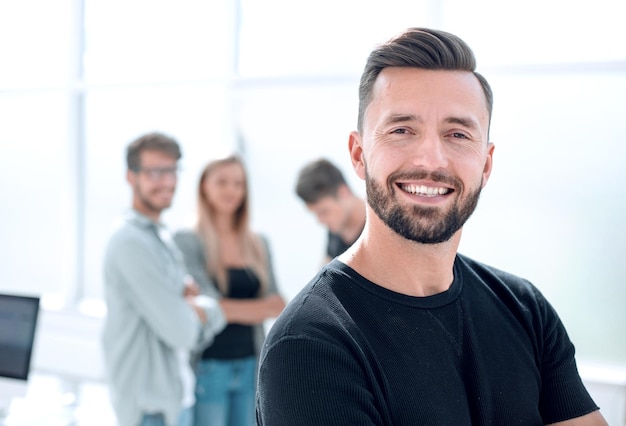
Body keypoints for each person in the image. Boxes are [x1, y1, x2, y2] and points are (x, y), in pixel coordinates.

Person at [256, 28, 608, 425]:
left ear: (486, 164)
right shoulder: (311, 345)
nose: (431, 158)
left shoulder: (525, 309)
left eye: (457, 134)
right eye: (402, 130)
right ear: (359, 154)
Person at [102, 132, 229, 426]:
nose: (167, 181)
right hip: (150, 411)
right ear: (131, 177)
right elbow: (183, 332)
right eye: (155, 172)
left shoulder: (159, 236)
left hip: (171, 402)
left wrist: (190, 306)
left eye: (172, 170)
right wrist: (208, 310)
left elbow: (184, 308)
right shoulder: (130, 242)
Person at [173, 154, 286, 426]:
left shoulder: (258, 242)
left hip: (252, 365)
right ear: (204, 187)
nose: (231, 190)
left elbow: (278, 305)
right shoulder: (187, 240)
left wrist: (223, 308)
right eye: (222, 182)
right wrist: (254, 308)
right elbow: (206, 306)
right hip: (208, 367)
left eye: (238, 183)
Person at [295, 158, 366, 263]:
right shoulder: (336, 228)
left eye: (324, 212)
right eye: (316, 214)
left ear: (343, 193)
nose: (320, 221)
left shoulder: (379, 228)